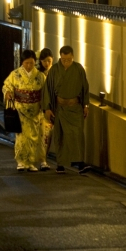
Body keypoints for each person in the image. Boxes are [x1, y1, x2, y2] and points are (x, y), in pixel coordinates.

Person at [42, 45, 89, 174]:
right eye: (63, 59)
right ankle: (60, 164)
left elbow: (85, 87)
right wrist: (47, 108)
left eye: (68, 59)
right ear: (60, 57)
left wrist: (86, 105)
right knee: (60, 136)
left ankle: (80, 163)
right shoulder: (55, 70)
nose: (66, 62)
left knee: (77, 135)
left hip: (75, 107)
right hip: (60, 108)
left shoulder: (79, 69)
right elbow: (48, 89)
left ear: (72, 57)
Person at [3, 49, 46, 172]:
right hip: (20, 109)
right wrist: (8, 93)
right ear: (22, 62)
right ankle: (21, 161)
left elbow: (45, 92)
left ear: (35, 62)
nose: (28, 65)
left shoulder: (40, 76)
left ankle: (31, 162)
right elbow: (7, 85)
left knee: (34, 137)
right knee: (21, 136)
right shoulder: (15, 74)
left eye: (31, 63)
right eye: (26, 63)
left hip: (35, 109)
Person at [37, 48, 54, 171]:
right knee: (44, 135)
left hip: (52, 108)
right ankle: (42, 160)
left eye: (49, 60)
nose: (47, 63)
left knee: (48, 135)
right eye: (44, 61)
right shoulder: (39, 75)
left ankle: (44, 158)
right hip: (41, 109)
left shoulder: (54, 73)